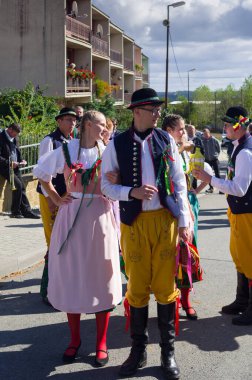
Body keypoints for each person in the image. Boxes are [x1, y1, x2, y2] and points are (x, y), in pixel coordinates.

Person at [101, 88, 190, 379]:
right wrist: (131, 191)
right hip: (134, 223)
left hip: (165, 221)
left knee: (165, 287)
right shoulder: (117, 144)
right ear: (136, 112)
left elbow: (179, 182)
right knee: (137, 287)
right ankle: (138, 351)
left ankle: (168, 353)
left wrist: (185, 220)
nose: (158, 113)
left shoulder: (166, 140)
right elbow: (105, 186)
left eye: (158, 109)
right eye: (153, 109)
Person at [33, 110, 122, 365]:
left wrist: (117, 180)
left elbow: (118, 186)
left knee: (101, 275)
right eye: (102, 125)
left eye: (106, 126)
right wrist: (56, 198)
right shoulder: (66, 150)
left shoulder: (108, 151)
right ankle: (74, 339)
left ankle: (101, 342)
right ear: (88, 125)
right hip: (71, 216)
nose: (105, 129)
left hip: (101, 215)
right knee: (73, 275)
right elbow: (41, 173)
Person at [193, 106, 252, 326]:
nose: (224, 127)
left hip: (247, 213)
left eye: (227, 124)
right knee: (239, 256)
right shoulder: (240, 147)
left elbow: (239, 189)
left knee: (249, 259)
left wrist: (210, 179)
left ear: (237, 126)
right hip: (240, 211)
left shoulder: (246, 151)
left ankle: (250, 307)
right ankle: (242, 300)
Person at [162, 114, 209, 321]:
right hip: (171, 207)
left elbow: (198, 171)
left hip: (189, 203)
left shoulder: (185, 150)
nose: (185, 133)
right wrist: (181, 149)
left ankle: (186, 301)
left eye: (183, 129)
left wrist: (195, 192)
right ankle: (171, 300)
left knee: (189, 253)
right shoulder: (165, 149)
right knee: (172, 255)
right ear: (169, 131)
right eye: (180, 129)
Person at [36, 107, 77, 305]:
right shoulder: (49, 140)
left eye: (74, 121)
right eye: (68, 120)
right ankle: (48, 289)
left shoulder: (71, 142)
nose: (72, 124)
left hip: (65, 196)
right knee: (54, 241)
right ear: (59, 121)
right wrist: (52, 200)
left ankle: (63, 284)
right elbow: (42, 171)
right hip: (51, 196)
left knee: (64, 240)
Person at [0, 123, 40, 219]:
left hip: (15, 167)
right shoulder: (1, 138)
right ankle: (15, 211)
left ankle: (26, 211)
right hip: (5, 168)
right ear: (10, 129)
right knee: (17, 186)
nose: (16, 136)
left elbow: (17, 151)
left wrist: (21, 160)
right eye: (15, 133)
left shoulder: (14, 137)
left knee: (22, 186)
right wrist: (9, 163)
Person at [201, 127, 221, 193]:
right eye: (204, 134)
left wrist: (216, 155)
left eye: (206, 134)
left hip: (214, 159)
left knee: (217, 174)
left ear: (209, 133)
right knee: (208, 174)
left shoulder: (214, 140)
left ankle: (221, 189)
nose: (205, 135)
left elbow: (218, 149)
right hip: (207, 160)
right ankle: (211, 188)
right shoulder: (202, 141)